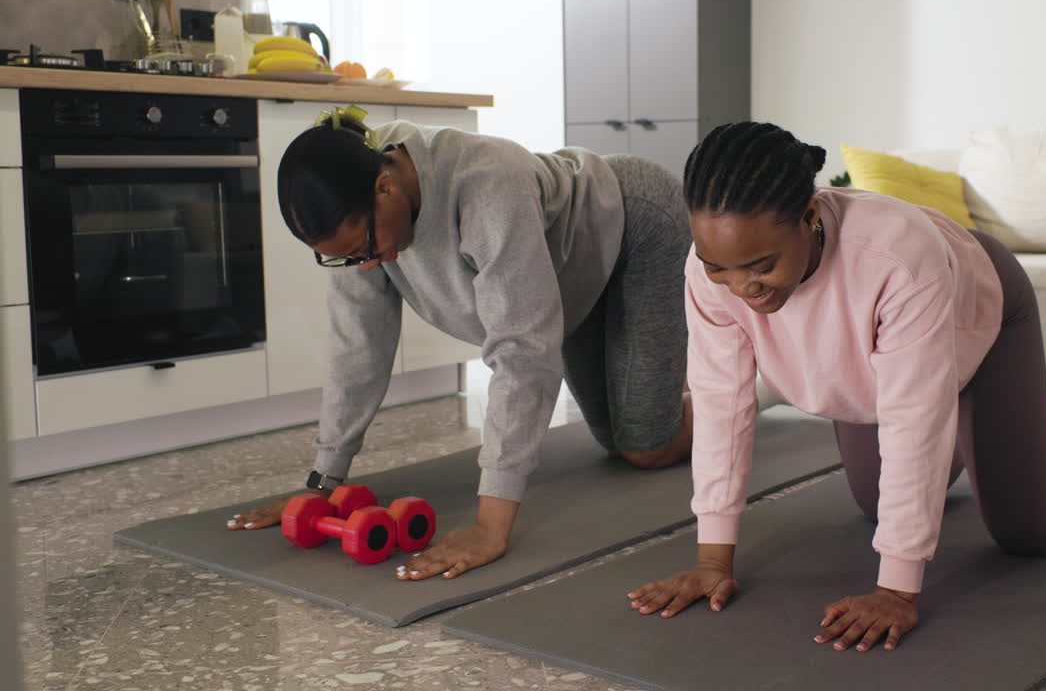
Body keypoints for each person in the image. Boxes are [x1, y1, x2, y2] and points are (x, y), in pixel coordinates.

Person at [626, 121, 1046, 653]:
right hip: (881, 363)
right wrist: (711, 561)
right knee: (879, 504)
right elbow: (720, 401)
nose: (741, 289)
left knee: (1031, 531)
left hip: (980, 310)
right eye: (722, 270)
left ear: (809, 218)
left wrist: (895, 590)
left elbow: (913, 420)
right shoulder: (708, 269)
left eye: (761, 267)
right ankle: (964, 436)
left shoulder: (897, 258)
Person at [226, 106, 696, 581]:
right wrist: (323, 483)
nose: (366, 265)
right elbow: (358, 349)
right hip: (567, 273)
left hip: (637, 225)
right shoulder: (358, 200)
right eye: (345, 259)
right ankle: (667, 389)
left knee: (646, 448)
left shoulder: (488, 186)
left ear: (385, 188)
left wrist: (490, 527)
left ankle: (752, 388)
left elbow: (523, 352)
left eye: (364, 249)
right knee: (615, 441)